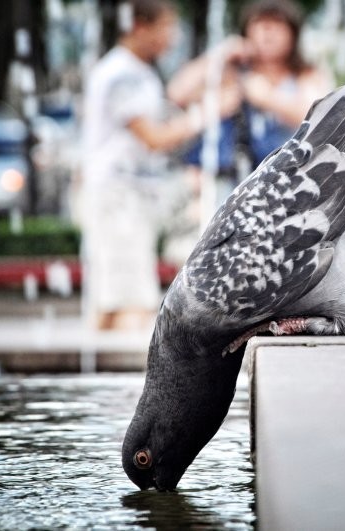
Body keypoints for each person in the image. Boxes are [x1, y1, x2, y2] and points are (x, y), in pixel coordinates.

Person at [81, 0, 207, 331]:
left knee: (112, 302)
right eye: (166, 27)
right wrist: (204, 115)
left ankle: (99, 380)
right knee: (133, 305)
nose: (173, 37)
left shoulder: (134, 71)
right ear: (139, 25)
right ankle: (134, 382)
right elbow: (153, 138)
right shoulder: (122, 74)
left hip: (122, 195)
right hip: (118, 196)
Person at [167, 0, 332, 192]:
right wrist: (220, 54)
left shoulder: (306, 74)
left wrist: (269, 98)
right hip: (229, 180)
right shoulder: (233, 71)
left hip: (285, 180)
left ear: (293, 33)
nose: (268, 31)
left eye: (277, 23)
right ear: (246, 31)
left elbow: (323, 119)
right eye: (259, 23)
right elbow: (176, 93)